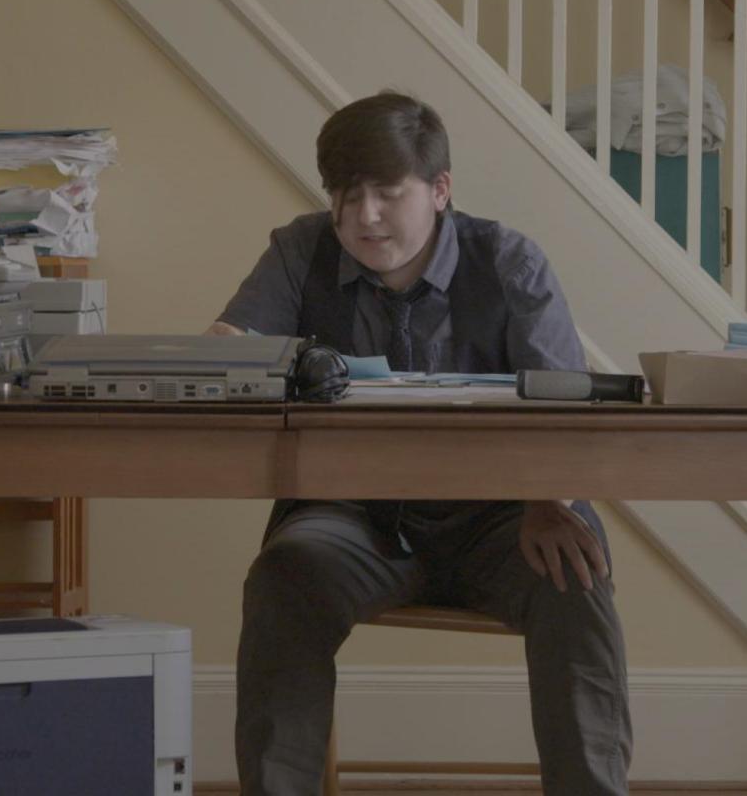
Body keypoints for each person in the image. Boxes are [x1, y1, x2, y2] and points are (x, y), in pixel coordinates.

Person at [210, 92, 631, 795]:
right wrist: (228, 349)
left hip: (505, 519)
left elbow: (567, 411)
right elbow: (232, 351)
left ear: (440, 190)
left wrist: (549, 498)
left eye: (386, 192)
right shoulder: (298, 250)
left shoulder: (510, 262)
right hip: (352, 520)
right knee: (284, 576)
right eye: (346, 194)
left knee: (576, 573)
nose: (364, 215)